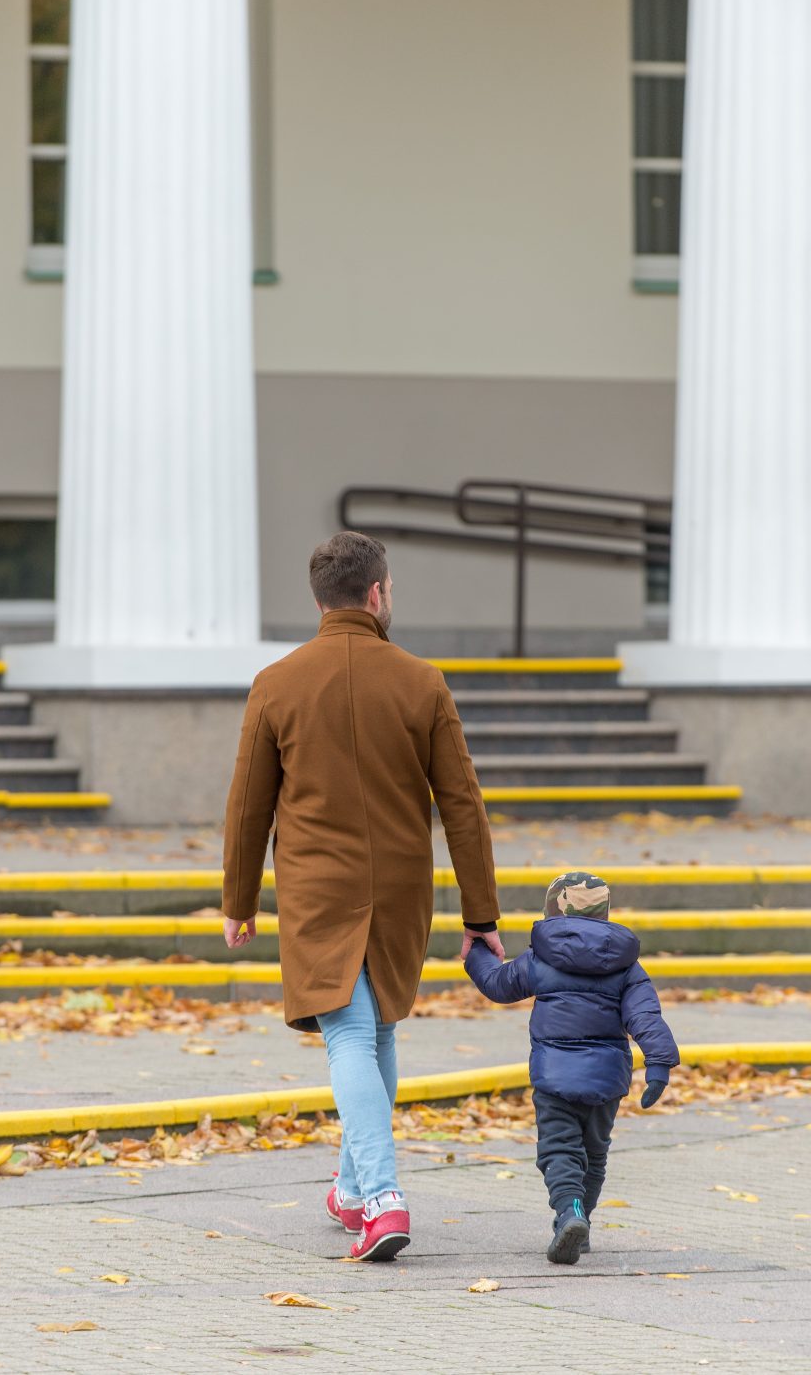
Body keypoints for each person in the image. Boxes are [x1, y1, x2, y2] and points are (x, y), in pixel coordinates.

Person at [221, 531, 503, 1261]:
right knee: (374, 1031)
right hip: (403, 888)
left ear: (322, 598)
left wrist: (238, 899)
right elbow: (462, 804)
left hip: (319, 888)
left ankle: (381, 1197)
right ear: (377, 594)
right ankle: (351, 1190)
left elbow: (249, 804)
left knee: (351, 1034)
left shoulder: (276, 683)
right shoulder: (423, 681)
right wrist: (482, 915)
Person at [464, 870, 679, 1265]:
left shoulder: (540, 960)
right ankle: (581, 1226)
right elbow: (647, 1017)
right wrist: (659, 1065)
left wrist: (477, 950)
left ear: (552, 909)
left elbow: (497, 984)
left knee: (559, 1149)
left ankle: (569, 1214)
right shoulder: (627, 967)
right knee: (594, 1154)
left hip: (555, 1076)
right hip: (607, 1080)